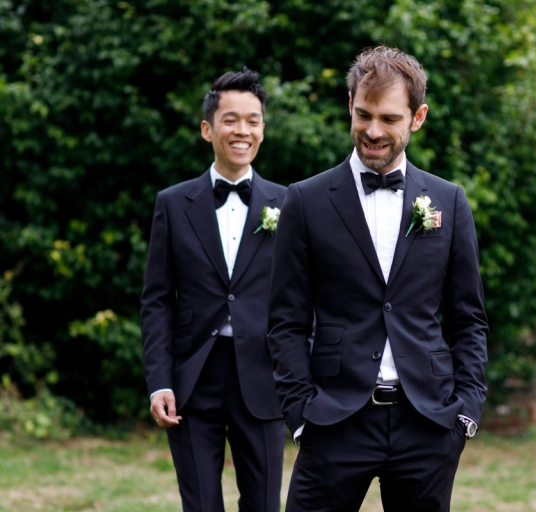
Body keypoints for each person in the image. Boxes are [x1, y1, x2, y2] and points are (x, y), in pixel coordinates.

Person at [267, 46, 488, 511]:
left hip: (427, 424)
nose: (372, 131)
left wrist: (465, 413)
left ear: (418, 117)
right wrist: (301, 413)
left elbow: (468, 319)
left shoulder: (449, 200)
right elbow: (285, 321)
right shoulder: (304, 202)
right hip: (334, 421)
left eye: (389, 119)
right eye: (363, 115)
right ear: (349, 104)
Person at [140, 68, 286, 512]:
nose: (242, 130)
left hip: (264, 378)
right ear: (208, 129)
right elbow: (157, 300)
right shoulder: (173, 203)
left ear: (262, 128)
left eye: (253, 120)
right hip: (193, 379)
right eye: (230, 119)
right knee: (200, 504)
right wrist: (159, 381)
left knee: (263, 504)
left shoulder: (289, 204)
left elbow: (304, 300)